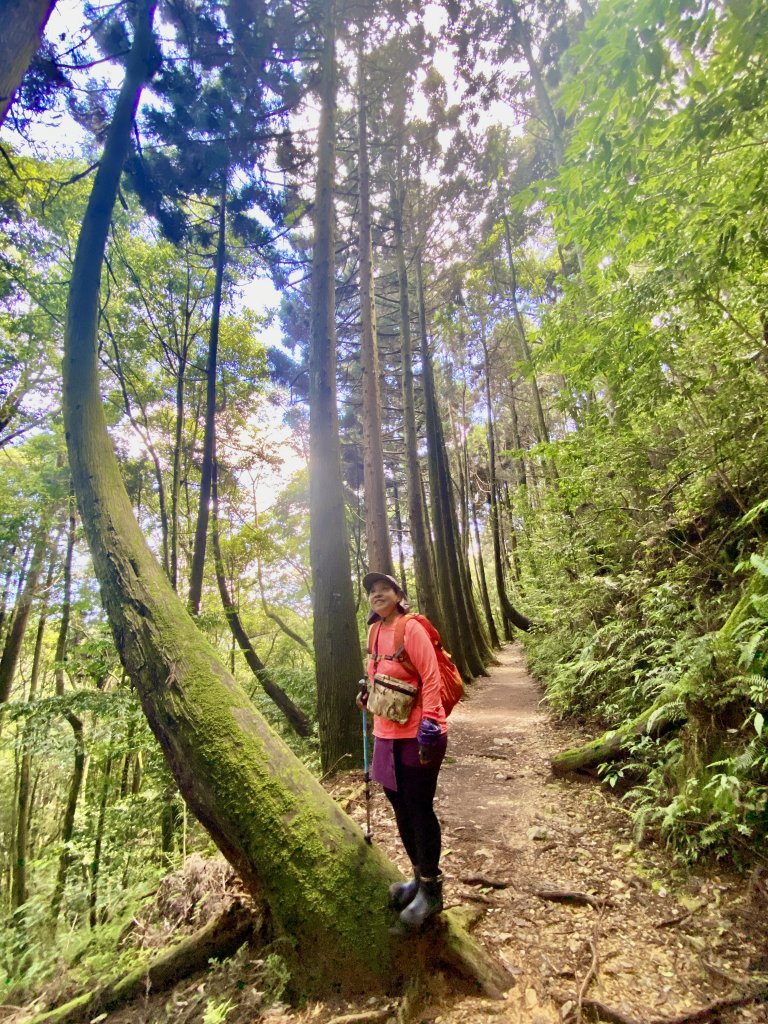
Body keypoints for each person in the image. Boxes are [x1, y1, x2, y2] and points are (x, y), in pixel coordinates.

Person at [360, 571, 448, 930]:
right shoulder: (373, 631)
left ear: (398, 595)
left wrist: (432, 722)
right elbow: (376, 676)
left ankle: (432, 890)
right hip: (386, 733)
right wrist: (367, 696)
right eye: (372, 591)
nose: (377, 594)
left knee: (418, 807)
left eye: (385, 589)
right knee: (398, 805)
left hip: (417, 734)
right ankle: (417, 878)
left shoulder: (410, 628)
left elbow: (431, 676)